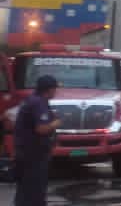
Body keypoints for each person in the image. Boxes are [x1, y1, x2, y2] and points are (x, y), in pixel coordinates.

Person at [13, 75, 61, 206]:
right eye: (55, 89)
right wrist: (55, 123)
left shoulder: (32, 100)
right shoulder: (38, 103)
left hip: (26, 152)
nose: (56, 91)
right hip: (33, 154)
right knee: (34, 189)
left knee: (26, 189)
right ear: (49, 89)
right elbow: (41, 129)